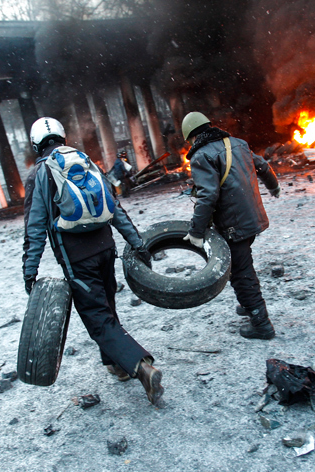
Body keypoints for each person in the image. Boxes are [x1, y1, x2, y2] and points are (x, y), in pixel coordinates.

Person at [22, 117, 164, 407]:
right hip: (105, 248)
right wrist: (137, 243)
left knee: (97, 319)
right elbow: (114, 208)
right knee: (107, 307)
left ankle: (141, 366)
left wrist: (30, 270)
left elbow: (34, 227)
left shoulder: (39, 174)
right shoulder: (86, 161)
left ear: (36, 144)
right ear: (62, 136)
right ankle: (115, 364)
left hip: (76, 257)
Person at [181, 111, 281, 340]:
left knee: (241, 273)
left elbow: (208, 196)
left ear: (190, 137)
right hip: (252, 216)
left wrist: (196, 232)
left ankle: (261, 323)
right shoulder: (238, 143)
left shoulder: (200, 156)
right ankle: (249, 306)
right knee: (242, 265)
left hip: (233, 223)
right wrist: (274, 187)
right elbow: (262, 166)